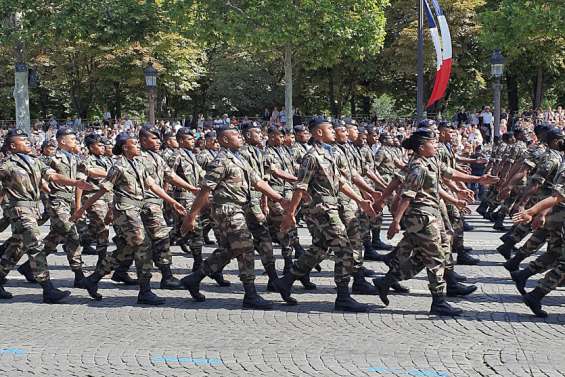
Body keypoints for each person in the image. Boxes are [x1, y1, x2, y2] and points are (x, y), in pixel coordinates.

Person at [372, 128, 498, 316]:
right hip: (421, 217)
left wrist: (477, 179)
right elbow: (407, 195)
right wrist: (395, 221)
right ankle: (438, 302)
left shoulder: (431, 161)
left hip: (433, 215)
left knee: (424, 257)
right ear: (422, 147)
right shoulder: (418, 167)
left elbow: (449, 175)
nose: (436, 144)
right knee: (436, 258)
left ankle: (386, 281)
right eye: (433, 142)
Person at [179, 124, 292, 310]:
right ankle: (250, 294)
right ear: (224, 140)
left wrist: (279, 198)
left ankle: (194, 278)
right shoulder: (221, 161)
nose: (240, 137)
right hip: (228, 210)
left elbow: (258, 182)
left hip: (241, 209)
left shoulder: (239, 159)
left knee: (229, 250)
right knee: (246, 248)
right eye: (235, 135)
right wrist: (191, 216)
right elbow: (205, 190)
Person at [276, 117, 378, 312]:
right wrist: (290, 214)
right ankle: (343, 297)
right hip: (320, 210)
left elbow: (341, 182)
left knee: (320, 248)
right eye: (329, 128)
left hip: (331, 208)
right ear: (319, 133)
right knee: (345, 250)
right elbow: (300, 186)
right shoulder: (312, 156)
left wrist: (360, 200)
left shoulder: (329, 154)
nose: (333, 131)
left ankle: (286, 281)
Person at [72, 132, 187, 305]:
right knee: (143, 244)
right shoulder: (118, 167)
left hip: (137, 209)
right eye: (135, 144)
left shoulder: (138, 163)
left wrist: (172, 202)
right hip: (125, 211)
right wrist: (81, 209)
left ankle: (93, 279)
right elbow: (103, 191)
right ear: (126, 147)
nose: (139, 146)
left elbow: (153, 185)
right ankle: (145, 291)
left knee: (126, 249)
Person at [0, 129, 93, 303]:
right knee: (35, 245)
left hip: (33, 209)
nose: (28, 142)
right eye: (23, 140)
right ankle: (47, 289)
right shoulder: (6, 166)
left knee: (17, 246)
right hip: (19, 210)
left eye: (28, 140)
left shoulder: (35, 162)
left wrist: (76, 183)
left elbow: (54, 176)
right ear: (13, 146)